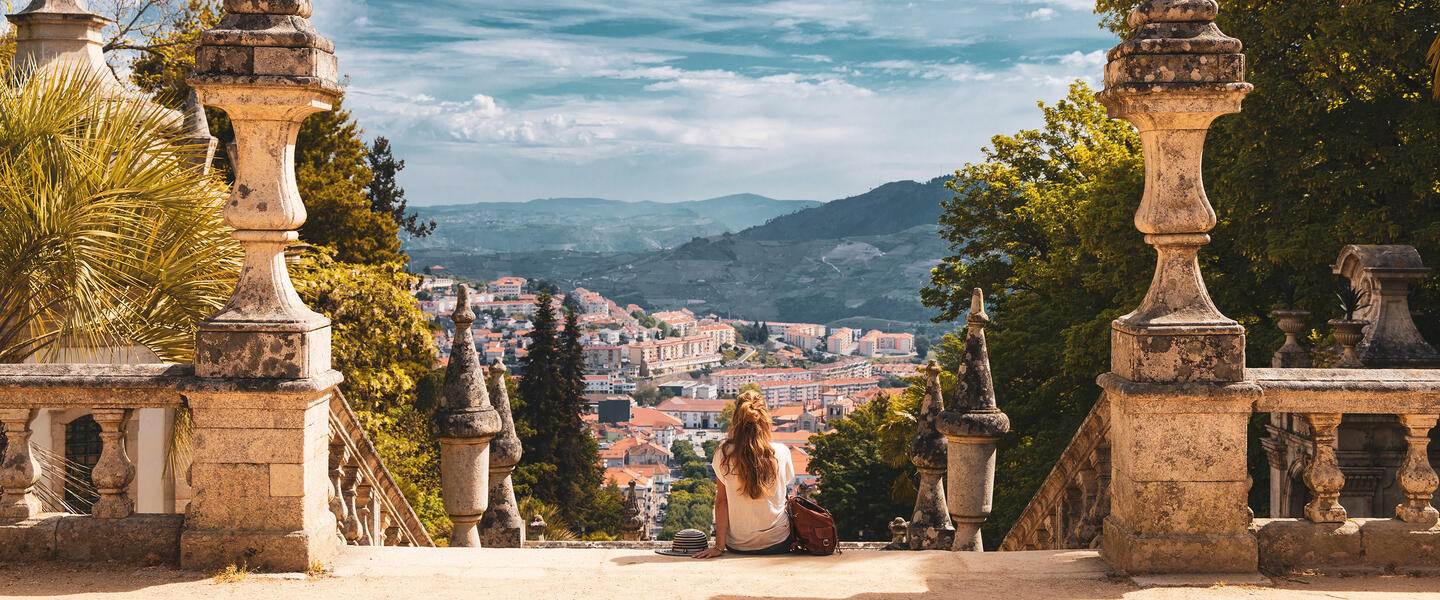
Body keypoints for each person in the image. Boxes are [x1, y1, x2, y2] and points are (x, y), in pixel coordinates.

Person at [693, 390, 795, 558]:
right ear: (765, 419)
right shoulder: (782, 452)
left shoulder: (724, 453)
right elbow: (783, 495)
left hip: (740, 545)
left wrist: (719, 546)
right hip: (778, 542)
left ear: (736, 419)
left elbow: (722, 502)